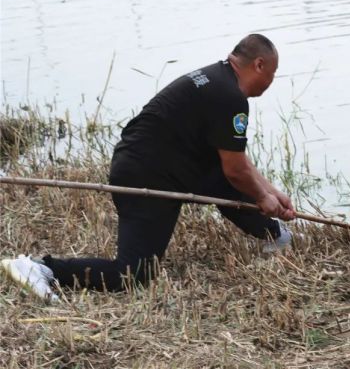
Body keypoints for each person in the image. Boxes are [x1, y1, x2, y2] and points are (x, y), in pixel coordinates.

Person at [1, 34, 296, 301]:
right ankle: (41, 269)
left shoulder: (218, 80)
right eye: (273, 73)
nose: (271, 82)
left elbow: (236, 163)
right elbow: (235, 170)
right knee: (134, 274)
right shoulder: (230, 96)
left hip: (165, 165)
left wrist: (272, 192)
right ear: (259, 64)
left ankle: (275, 234)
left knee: (221, 179)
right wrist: (263, 198)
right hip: (146, 176)